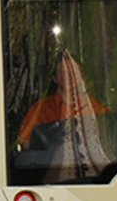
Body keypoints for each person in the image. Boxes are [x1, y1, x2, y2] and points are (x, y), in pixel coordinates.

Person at [15, 48, 110, 179]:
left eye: (72, 72)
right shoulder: (39, 110)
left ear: (81, 76)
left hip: (95, 178)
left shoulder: (97, 109)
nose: (68, 77)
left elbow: (110, 146)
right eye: (62, 73)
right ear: (55, 78)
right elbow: (26, 147)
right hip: (53, 179)